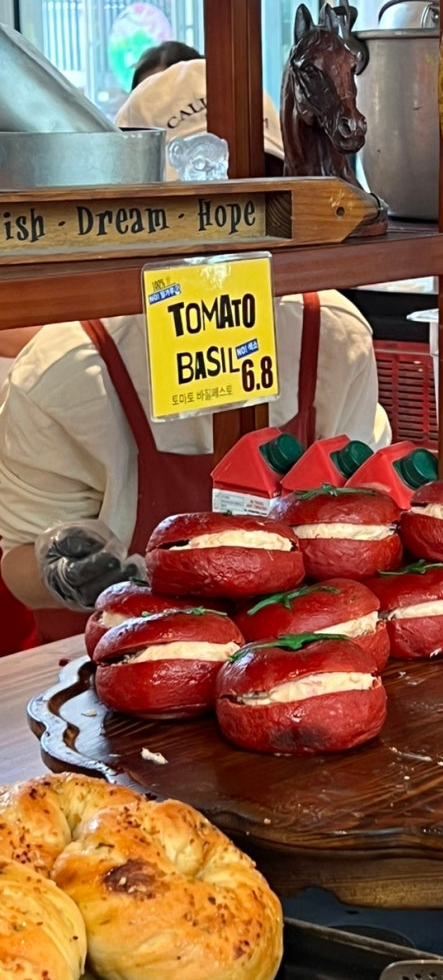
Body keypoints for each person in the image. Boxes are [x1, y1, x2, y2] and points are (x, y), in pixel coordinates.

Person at [0, 56, 391, 647]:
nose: (219, 231)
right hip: (111, 670)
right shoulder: (65, 369)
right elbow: (19, 562)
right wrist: (65, 569)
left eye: (252, 192)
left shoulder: (333, 336)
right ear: (128, 208)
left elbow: (368, 507)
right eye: (182, 204)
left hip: (297, 656)